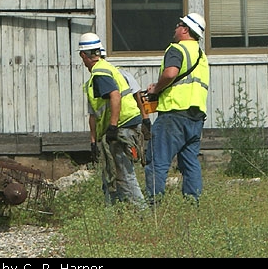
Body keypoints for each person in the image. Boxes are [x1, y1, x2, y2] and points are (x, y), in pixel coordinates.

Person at [144, 12, 210, 203]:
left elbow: (171, 72)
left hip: (174, 114)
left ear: (185, 30)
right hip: (196, 117)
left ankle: (154, 206)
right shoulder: (201, 55)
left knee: (158, 160)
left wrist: (156, 88)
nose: (175, 28)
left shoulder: (177, 49)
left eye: (178, 25)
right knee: (190, 163)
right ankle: (192, 204)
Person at [78, 33, 146, 207]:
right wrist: (93, 141)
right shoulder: (103, 73)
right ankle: (113, 214)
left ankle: (144, 216)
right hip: (123, 125)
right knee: (110, 174)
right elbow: (94, 113)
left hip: (122, 127)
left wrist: (113, 127)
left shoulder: (101, 73)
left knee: (124, 175)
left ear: (83, 55)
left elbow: (115, 96)